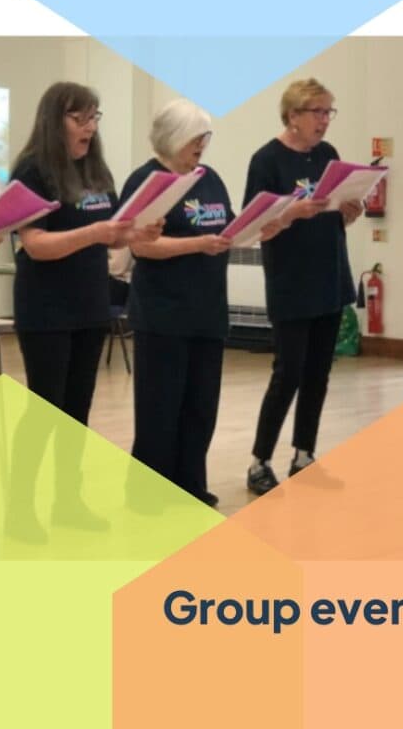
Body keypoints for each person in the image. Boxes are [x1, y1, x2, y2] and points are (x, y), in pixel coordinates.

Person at [7, 82, 160, 540]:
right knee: (44, 410)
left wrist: (135, 233)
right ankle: (19, 510)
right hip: (46, 307)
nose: (89, 127)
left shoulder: (96, 169)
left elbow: (108, 232)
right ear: (54, 120)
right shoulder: (32, 171)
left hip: (90, 304)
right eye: (80, 118)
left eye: (94, 117)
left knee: (76, 410)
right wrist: (96, 234)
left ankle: (67, 501)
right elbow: (35, 244)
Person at [124, 99, 262, 508]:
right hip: (162, 313)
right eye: (195, 138)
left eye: (205, 137)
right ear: (172, 137)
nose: (202, 145)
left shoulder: (209, 178)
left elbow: (228, 229)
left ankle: (190, 485)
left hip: (207, 310)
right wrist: (198, 244)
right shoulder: (146, 181)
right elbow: (142, 247)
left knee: (201, 407)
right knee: (160, 409)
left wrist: (266, 223)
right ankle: (148, 493)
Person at [244, 78, 363, 495]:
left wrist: (350, 210)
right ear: (293, 115)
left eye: (329, 112)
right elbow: (256, 227)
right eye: (318, 112)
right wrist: (291, 213)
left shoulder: (328, 155)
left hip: (329, 274)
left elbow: (338, 213)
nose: (325, 120)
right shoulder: (267, 160)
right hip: (291, 281)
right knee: (288, 374)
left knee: (318, 373)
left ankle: (304, 456)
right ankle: (259, 461)